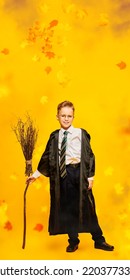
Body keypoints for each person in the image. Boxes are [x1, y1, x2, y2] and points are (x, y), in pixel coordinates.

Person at [26, 101, 114, 252]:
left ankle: (99, 240)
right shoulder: (54, 136)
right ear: (57, 117)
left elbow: (90, 156)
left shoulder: (81, 133)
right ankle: (73, 240)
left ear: (73, 117)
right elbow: (47, 157)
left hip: (79, 174)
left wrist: (90, 177)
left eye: (69, 116)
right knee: (67, 208)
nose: (66, 119)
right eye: (63, 116)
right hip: (62, 175)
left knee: (88, 206)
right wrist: (35, 175)